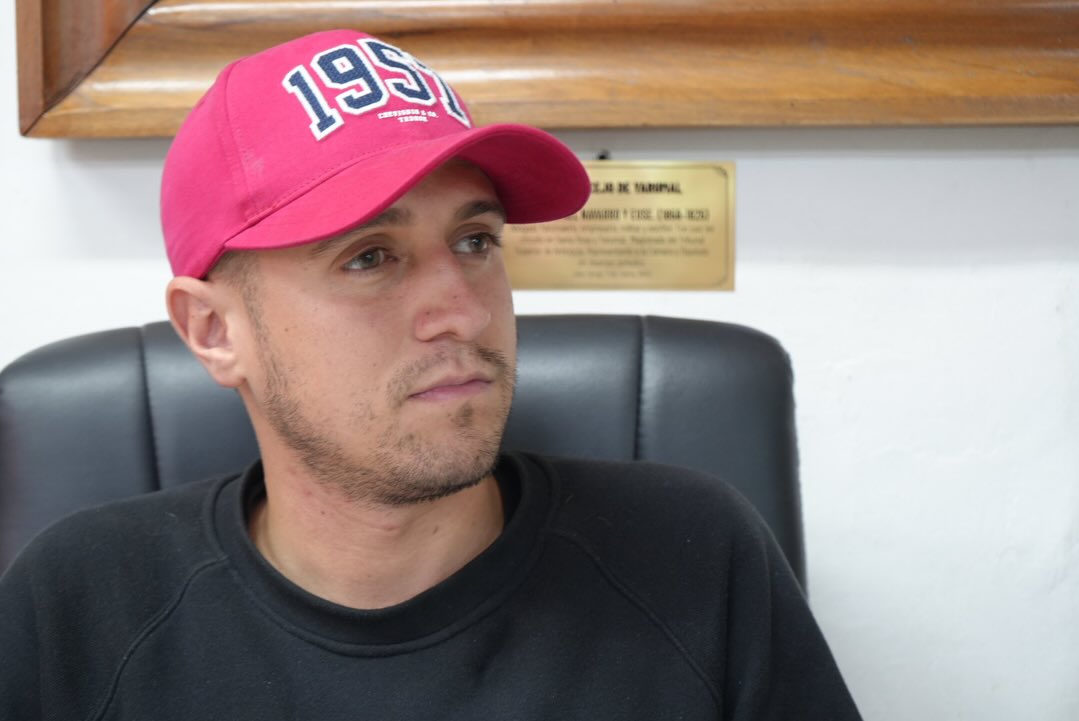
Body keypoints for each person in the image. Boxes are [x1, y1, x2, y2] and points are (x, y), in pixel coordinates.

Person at [0, 29, 861, 719]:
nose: (464, 312)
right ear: (215, 330)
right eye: (369, 256)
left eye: (475, 241)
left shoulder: (692, 554)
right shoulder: (80, 602)